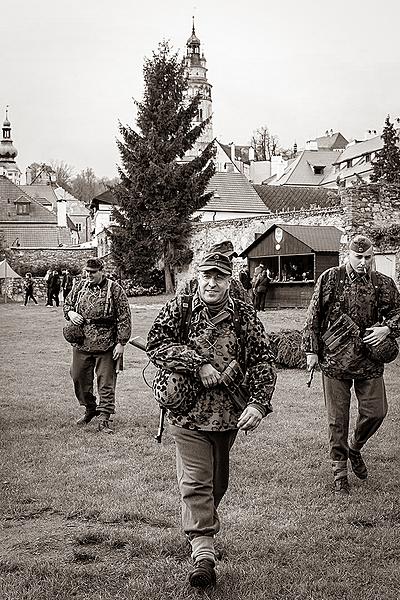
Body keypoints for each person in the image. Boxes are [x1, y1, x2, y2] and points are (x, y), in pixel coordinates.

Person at [147, 248, 276, 589]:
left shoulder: (245, 315)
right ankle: (204, 554)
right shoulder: (182, 306)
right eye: (207, 276)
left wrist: (259, 404)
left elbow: (263, 359)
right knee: (197, 480)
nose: (212, 283)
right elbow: (156, 343)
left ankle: (197, 524)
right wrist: (197, 364)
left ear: (229, 281)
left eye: (219, 277)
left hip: (227, 416)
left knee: (218, 483)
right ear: (198, 277)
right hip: (186, 414)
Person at [302, 234, 400, 495]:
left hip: (369, 359)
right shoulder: (330, 278)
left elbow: (398, 314)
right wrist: (312, 350)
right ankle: (339, 472)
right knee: (338, 418)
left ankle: (355, 448)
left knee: (376, 411)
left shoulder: (383, 283)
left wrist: (387, 329)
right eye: (358, 257)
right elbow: (314, 315)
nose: (363, 262)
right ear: (348, 254)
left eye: (368, 258)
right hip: (334, 359)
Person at [63, 258, 132, 433]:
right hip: (82, 342)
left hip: (107, 344)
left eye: (92, 272)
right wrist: (71, 313)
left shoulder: (114, 289)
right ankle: (90, 408)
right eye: (87, 271)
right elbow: (67, 304)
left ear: (101, 271)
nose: (89, 275)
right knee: (78, 376)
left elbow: (124, 316)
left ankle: (104, 417)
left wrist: (121, 343)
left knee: (106, 382)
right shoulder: (79, 287)